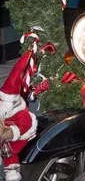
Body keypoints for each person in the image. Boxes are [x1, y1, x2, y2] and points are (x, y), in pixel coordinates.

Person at [0, 48, 38, 181]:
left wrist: (11, 132)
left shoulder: (20, 114)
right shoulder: (4, 108)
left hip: (18, 137)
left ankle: (11, 171)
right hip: (4, 134)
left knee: (11, 153)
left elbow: (24, 125)